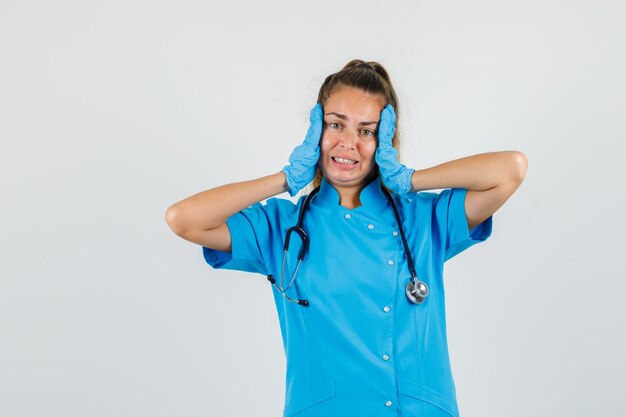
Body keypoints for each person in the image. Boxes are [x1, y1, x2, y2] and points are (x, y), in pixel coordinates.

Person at [165, 59, 527, 417]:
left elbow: (511, 169)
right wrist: (287, 178)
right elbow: (183, 219)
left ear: (385, 141)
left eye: (367, 131)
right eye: (335, 124)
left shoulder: (420, 218)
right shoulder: (283, 227)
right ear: (315, 132)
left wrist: (409, 179)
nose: (348, 142)